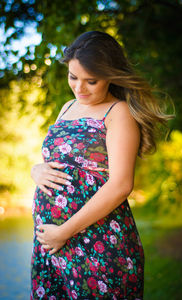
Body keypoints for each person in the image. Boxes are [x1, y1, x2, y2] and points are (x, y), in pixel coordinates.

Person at [30, 31, 173, 299]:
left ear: (110, 75)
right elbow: (58, 163)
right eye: (73, 77)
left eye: (91, 81)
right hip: (52, 245)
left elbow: (120, 185)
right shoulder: (67, 107)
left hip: (97, 244)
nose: (79, 88)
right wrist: (36, 170)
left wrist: (64, 232)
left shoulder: (118, 112)